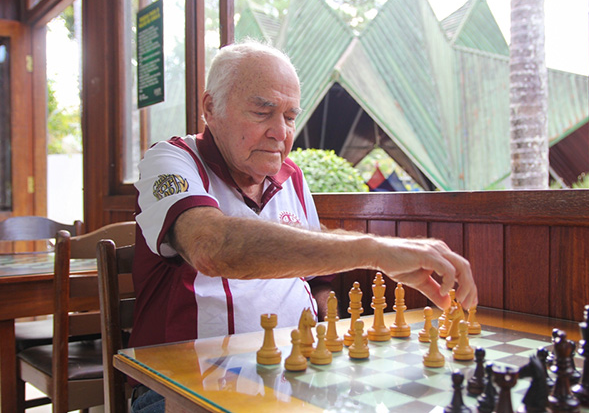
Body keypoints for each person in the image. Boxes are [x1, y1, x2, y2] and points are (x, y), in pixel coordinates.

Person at [128, 39, 477, 412]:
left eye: (291, 116)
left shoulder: (291, 176)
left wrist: (339, 333)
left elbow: (315, 277)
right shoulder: (169, 160)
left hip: (290, 372)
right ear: (211, 108)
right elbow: (212, 247)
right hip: (182, 384)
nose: (281, 132)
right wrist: (378, 251)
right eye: (262, 112)